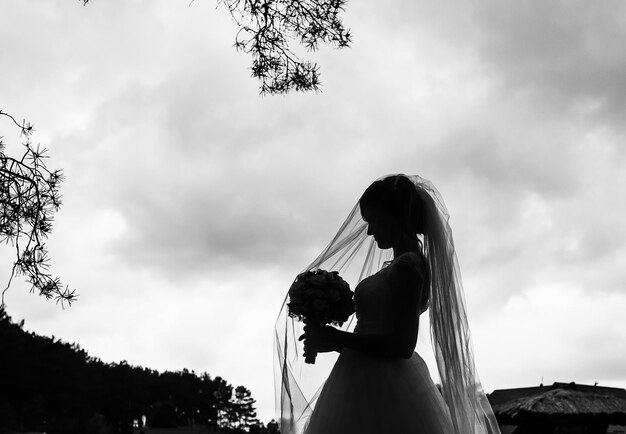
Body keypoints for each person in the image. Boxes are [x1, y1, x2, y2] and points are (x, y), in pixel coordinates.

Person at [274, 174, 500, 434]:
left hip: (386, 389)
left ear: (396, 218)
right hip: (362, 378)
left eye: (374, 221)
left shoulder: (408, 267)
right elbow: (378, 339)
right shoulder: (400, 265)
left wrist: (337, 337)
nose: (370, 232)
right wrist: (333, 341)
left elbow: (401, 345)